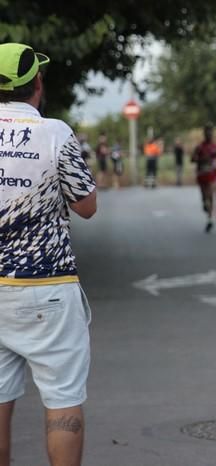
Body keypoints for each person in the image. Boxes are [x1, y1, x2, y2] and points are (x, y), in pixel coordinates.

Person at [0, 42, 97, 466]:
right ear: (36, 83)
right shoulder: (55, 133)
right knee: (62, 399)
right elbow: (86, 206)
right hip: (49, 289)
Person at [192, 125, 216, 232]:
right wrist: (201, 159)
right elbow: (192, 159)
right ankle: (205, 205)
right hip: (202, 173)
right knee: (204, 197)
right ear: (204, 134)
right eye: (207, 132)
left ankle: (210, 220)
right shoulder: (199, 147)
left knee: (210, 195)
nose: (209, 134)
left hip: (211, 174)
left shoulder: (215, 147)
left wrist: (215, 164)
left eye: (210, 132)